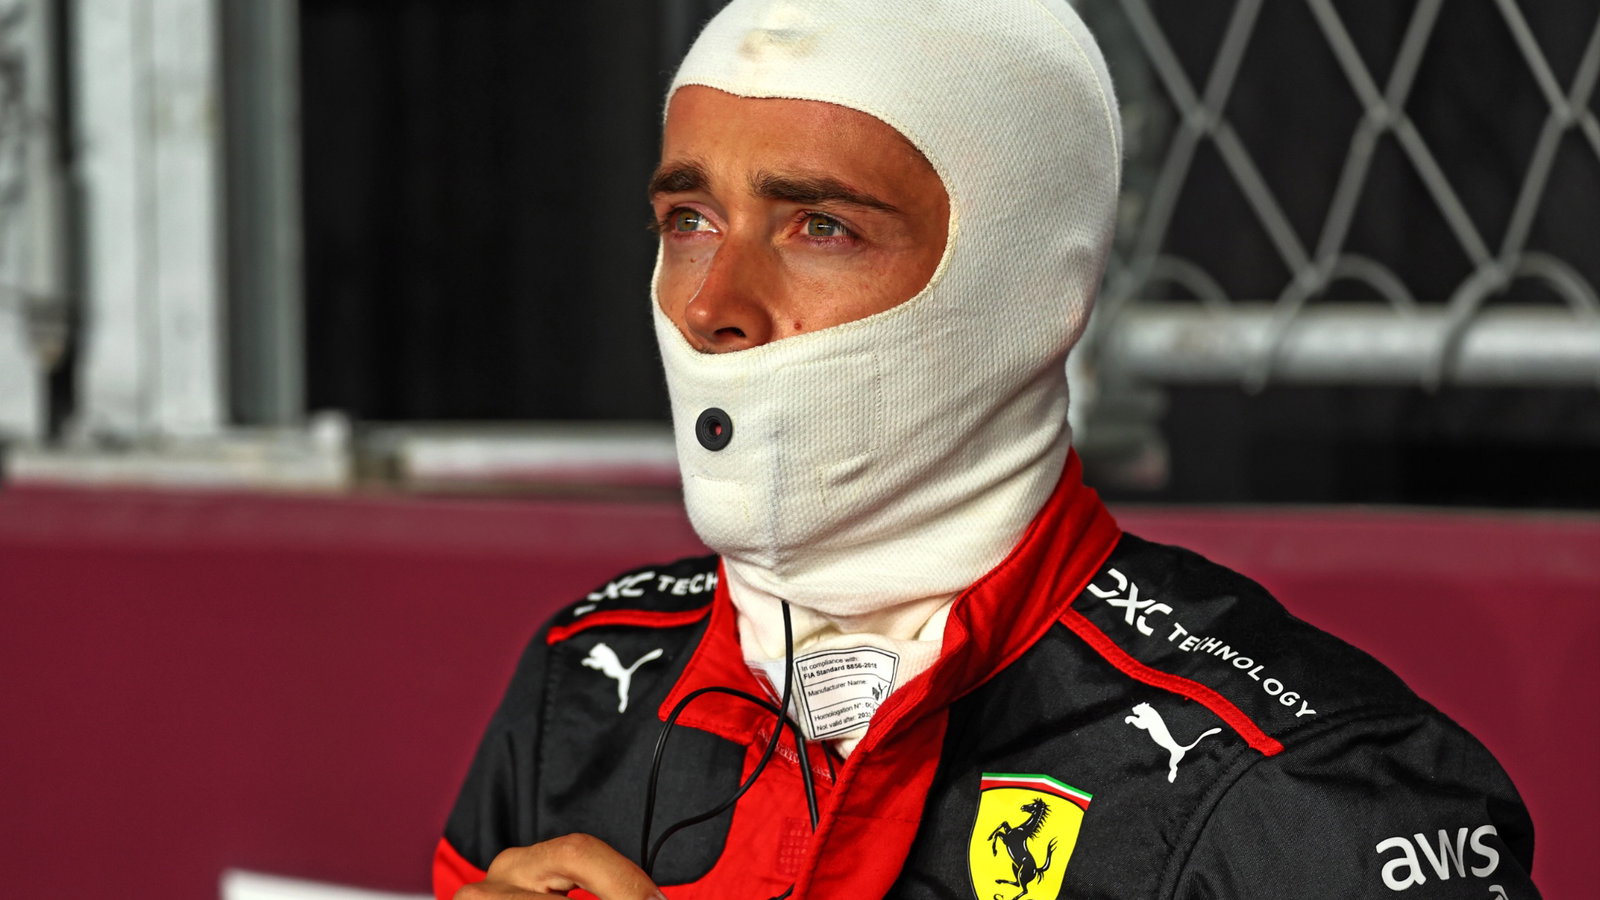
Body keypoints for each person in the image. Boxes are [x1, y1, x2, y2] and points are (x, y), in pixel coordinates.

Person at [435, 1, 1540, 898]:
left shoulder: (1296, 796)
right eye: (690, 222)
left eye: (822, 227)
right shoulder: (587, 683)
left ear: (1027, 289)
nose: (713, 305)